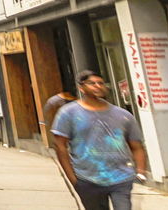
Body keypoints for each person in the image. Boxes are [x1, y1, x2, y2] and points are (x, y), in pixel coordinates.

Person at [51, 69, 149, 210]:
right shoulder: (68, 113)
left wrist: (141, 172)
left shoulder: (123, 115)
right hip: (87, 179)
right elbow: (60, 146)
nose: (98, 86)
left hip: (121, 178)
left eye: (101, 83)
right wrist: (73, 179)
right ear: (81, 88)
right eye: (92, 83)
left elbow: (137, 146)